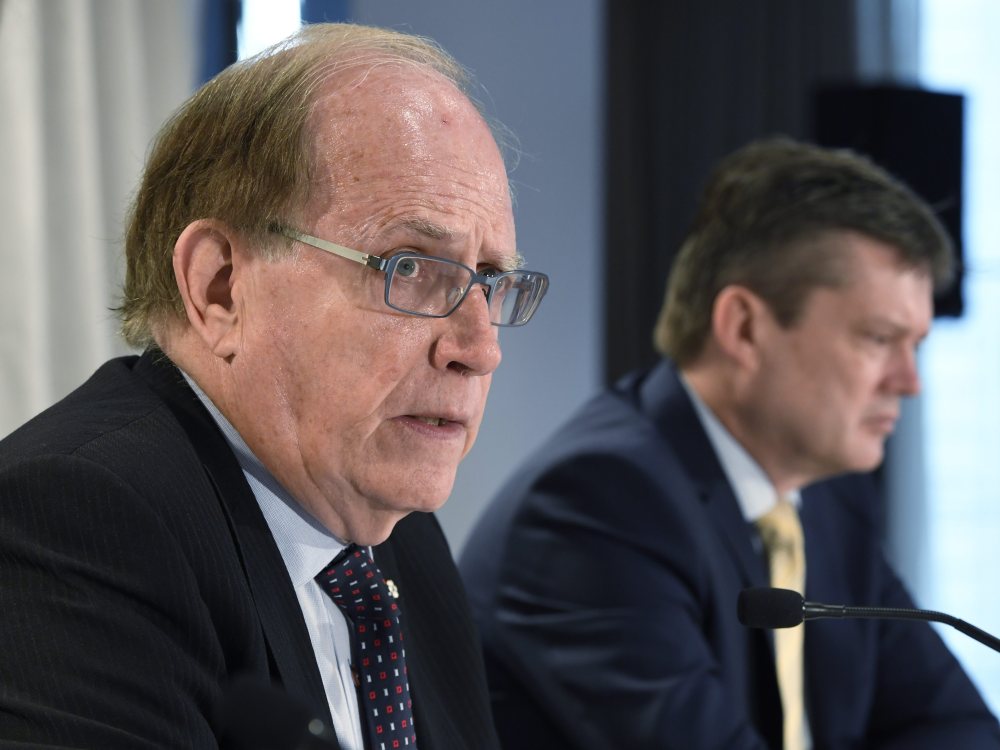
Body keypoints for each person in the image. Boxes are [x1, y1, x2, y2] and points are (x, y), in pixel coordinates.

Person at [0, 22, 548, 749]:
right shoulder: (78, 522)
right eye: (411, 269)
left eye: (489, 282)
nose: (480, 350)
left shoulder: (404, 546)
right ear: (219, 288)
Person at [459, 137, 1000, 749]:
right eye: (879, 339)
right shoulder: (598, 505)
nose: (910, 383)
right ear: (744, 328)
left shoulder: (829, 498)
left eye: (916, 346)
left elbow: (957, 727)